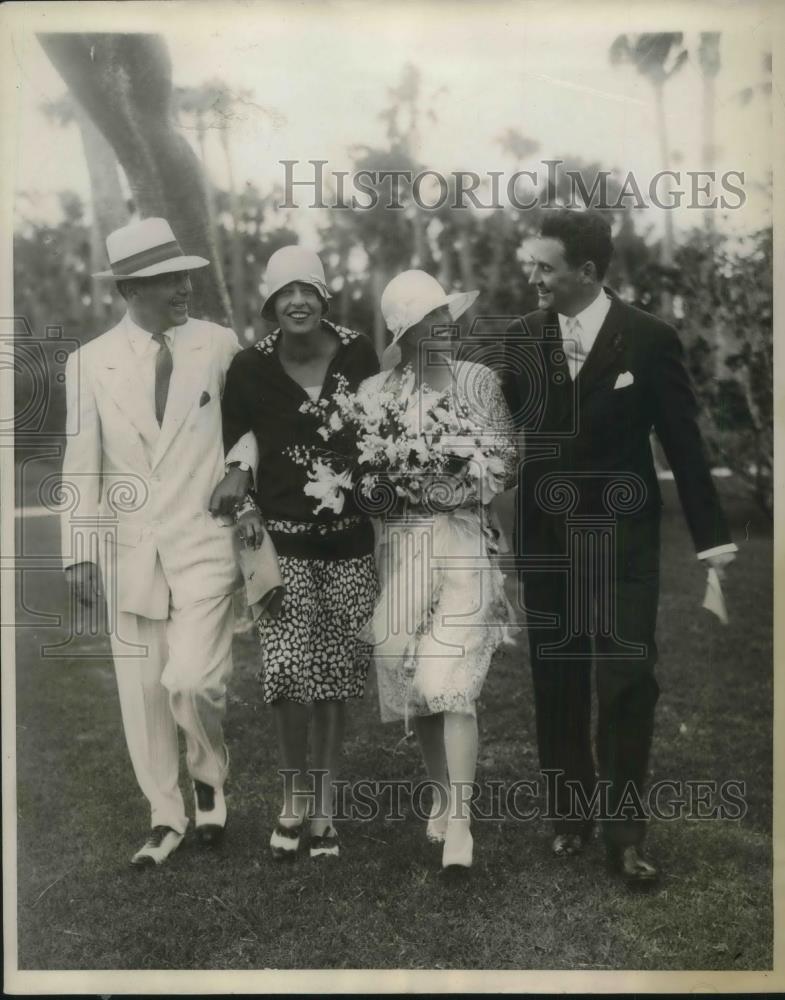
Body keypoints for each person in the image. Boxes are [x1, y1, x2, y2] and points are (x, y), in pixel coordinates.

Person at [506, 208, 737, 886]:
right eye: (530, 265)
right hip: (547, 543)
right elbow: (487, 429)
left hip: (623, 542)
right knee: (558, 681)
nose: (532, 277)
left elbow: (684, 446)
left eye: (543, 267)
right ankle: (569, 815)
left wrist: (711, 543)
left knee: (628, 681)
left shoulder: (647, 338)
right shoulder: (520, 339)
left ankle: (624, 835)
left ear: (585, 272)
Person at [61, 217, 257, 866]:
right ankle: (164, 816)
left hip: (206, 540)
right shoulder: (89, 363)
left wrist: (241, 467)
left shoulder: (218, 344)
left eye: (184, 276)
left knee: (194, 680)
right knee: (144, 693)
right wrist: (81, 552)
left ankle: (208, 774)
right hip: (131, 550)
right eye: (168, 280)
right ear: (131, 288)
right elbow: (80, 464)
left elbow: (249, 425)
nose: (184, 288)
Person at [217, 246, 380, 860]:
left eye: (307, 289)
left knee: (336, 676)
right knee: (287, 674)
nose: (297, 301)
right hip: (280, 546)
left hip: (350, 543)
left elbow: (380, 432)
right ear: (269, 306)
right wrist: (247, 510)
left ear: (324, 298)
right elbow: (236, 448)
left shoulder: (360, 354)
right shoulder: (249, 369)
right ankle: (292, 800)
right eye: (285, 293)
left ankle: (327, 810)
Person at [359, 270, 517, 871]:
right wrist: (397, 484)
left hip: (463, 545)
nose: (445, 327)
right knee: (412, 682)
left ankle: (462, 824)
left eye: (446, 316)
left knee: (449, 682)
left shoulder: (477, 381)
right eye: (431, 321)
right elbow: (367, 481)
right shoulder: (377, 394)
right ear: (407, 333)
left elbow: (507, 458)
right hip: (402, 547)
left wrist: (463, 482)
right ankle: (441, 792)